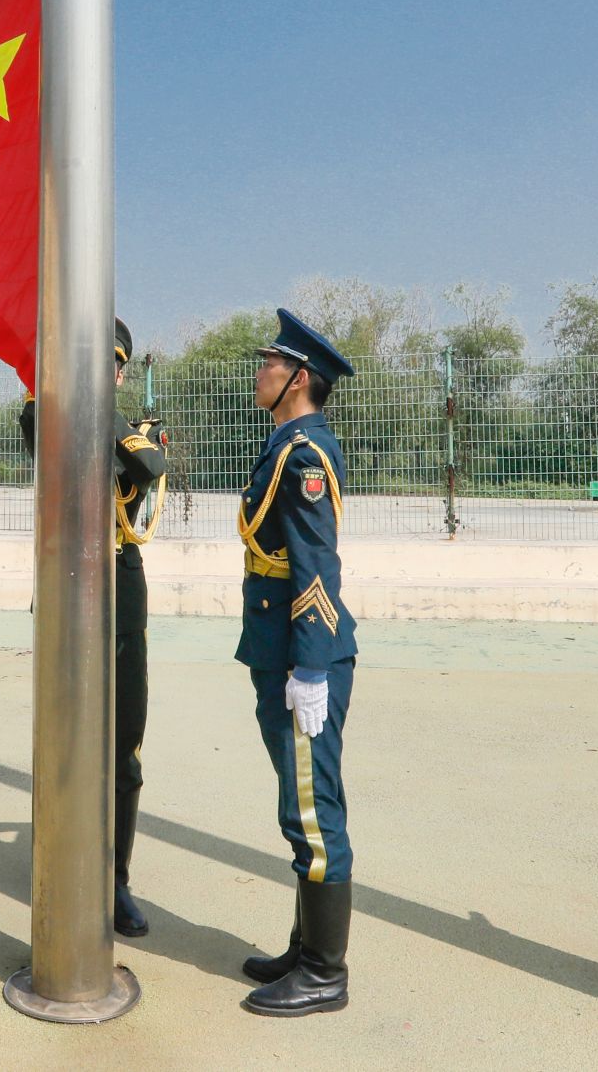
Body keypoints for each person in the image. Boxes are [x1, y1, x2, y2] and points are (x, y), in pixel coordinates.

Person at [18, 317, 167, 937]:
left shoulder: (134, 431)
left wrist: (96, 402)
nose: (99, 372)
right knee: (62, 738)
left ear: (121, 374)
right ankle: (59, 860)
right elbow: (37, 427)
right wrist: (69, 389)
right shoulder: (45, 414)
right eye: (87, 360)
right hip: (65, 585)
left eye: (109, 365)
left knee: (123, 743)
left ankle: (115, 879)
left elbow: (149, 466)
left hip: (119, 587)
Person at [235, 308, 357, 1017]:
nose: (261, 372)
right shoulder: (285, 442)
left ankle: (323, 972)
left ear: (299, 378)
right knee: (300, 802)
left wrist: (310, 668)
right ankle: (303, 944)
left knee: (312, 812)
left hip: (302, 656)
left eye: (270, 363)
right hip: (277, 646)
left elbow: (316, 562)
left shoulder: (304, 455)